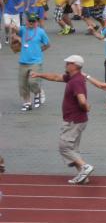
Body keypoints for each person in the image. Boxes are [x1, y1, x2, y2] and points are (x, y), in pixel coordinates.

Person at [32, 55, 94, 185]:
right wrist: (39, 75)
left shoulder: (76, 81)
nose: (65, 65)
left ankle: (85, 167)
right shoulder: (72, 78)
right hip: (77, 119)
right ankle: (83, 175)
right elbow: (55, 77)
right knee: (73, 149)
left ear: (74, 65)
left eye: (68, 63)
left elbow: (81, 99)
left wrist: (86, 106)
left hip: (74, 120)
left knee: (64, 147)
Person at [12, 13, 49, 111]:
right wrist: (12, 27)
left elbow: (47, 44)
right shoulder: (23, 29)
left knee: (33, 82)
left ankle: (38, 92)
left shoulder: (41, 32)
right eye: (30, 21)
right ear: (26, 21)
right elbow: (15, 30)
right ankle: (27, 103)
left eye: (34, 21)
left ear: (36, 22)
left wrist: (39, 50)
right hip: (23, 61)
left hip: (35, 61)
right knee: (22, 84)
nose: (32, 23)